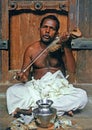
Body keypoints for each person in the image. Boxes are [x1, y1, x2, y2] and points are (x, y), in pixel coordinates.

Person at [6, 15, 88, 117]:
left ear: (57, 33)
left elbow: (72, 70)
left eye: (52, 28)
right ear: (39, 29)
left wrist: (67, 45)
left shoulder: (62, 48)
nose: (47, 31)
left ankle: (34, 110)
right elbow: (25, 76)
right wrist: (21, 77)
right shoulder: (31, 49)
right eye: (45, 27)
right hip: (38, 89)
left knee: (82, 96)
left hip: (59, 90)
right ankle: (57, 109)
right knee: (12, 91)